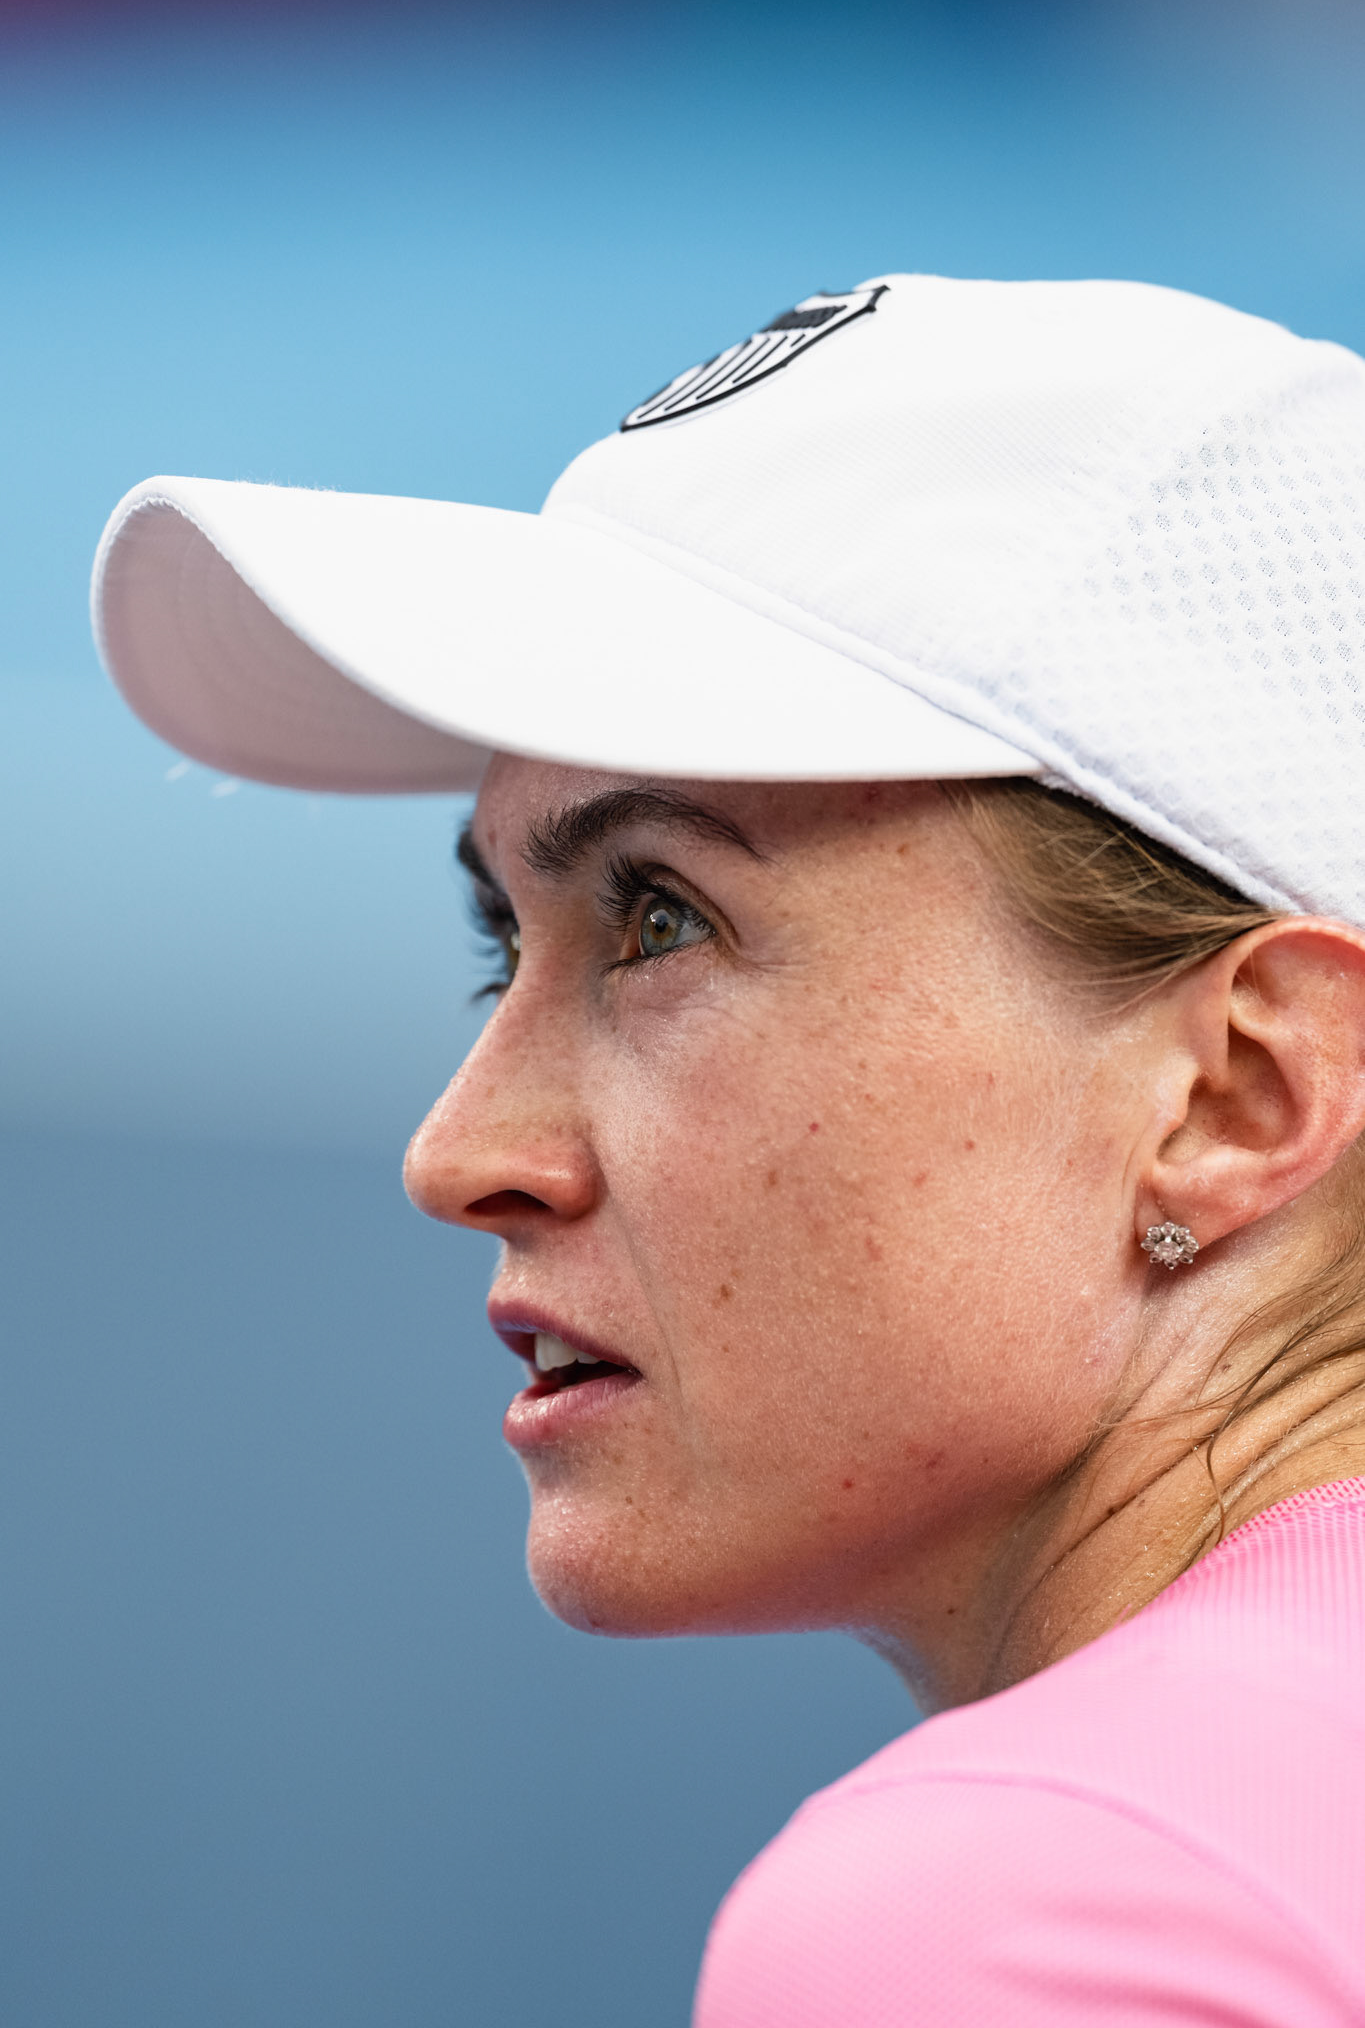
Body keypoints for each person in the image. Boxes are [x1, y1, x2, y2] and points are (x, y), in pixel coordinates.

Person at [93, 275, 1365, 2022]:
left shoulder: (1035, 1898)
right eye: (501, 945)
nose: (461, 1150)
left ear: (1237, 1091)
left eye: (659, 920)